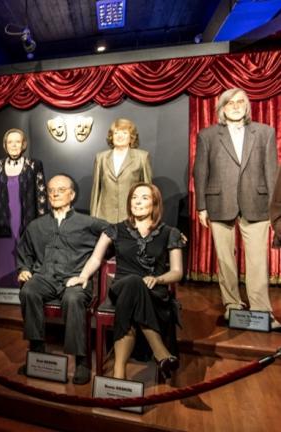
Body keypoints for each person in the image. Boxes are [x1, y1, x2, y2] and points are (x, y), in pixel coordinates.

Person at [69, 183, 184, 380]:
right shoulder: (115, 230)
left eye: (144, 198)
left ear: (155, 203)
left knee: (129, 305)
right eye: (134, 198)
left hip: (154, 292)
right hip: (121, 287)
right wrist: (84, 276)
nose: (137, 202)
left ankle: (118, 372)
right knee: (132, 282)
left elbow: (177, 272)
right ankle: (160, 352)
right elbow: (96, 258)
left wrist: (158, 279)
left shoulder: (170, 233)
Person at [193, 88, 280, 329]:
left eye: (240, 102)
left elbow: (272, 172)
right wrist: (201, 206)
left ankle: (261, 310)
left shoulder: (265, 132)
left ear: (247, 106)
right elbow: (200, 172)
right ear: (222, 108)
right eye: (230, 103)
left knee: (257, 260)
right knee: (225, 259)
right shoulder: (208, 135)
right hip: (219, 202)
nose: (235, 106)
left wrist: (275, 208)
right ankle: (232, 305)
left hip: (257, 203)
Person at [16, 174, 109, 384]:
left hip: (75, 278)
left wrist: (91, 264)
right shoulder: (36, 225)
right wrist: (24, 268)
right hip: (45, 277)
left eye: (60, 190)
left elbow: (115, 231)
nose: (55, 194)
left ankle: (82, 361)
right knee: (28, 291)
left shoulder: (88, 222)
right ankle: (36, 353)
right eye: (51, 190)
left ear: (72, 195)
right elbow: (24, 252)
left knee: (73, 298)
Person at [0, 128, 46, 288]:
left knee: (26, 255)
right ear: (5, 145)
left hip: (27, 222)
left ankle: (25, 291)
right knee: (4, 258)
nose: (13, 145)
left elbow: (41, 197)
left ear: (23, 144)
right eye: (10, 142)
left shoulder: (35, 165)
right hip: (1, 224)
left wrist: (41, 227)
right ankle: (3, 289)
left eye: (17, 142)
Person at [90, 118, 152, 223]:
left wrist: (146, 218)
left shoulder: (142, 157)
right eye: (116, 132)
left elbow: (147, 190)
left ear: (131, 137)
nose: (120, 136)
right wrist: (93, 218)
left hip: (130, 216)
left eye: (124, 132)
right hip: (104, 217)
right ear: (111, 136)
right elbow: (96, 190)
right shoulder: (101, 158)